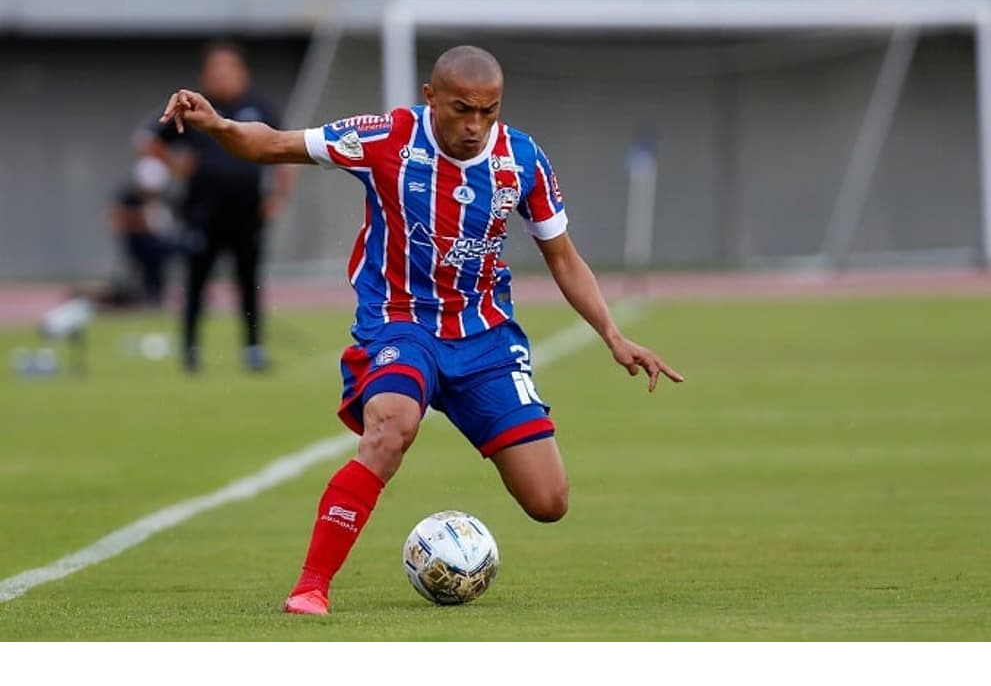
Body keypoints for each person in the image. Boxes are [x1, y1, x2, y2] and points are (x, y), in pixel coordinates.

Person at [158, 44, 684, 615]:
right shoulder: (387, 137)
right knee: (389, 428)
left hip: (485, 338)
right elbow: (275, 144)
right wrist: (218, 126)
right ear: (432, 98)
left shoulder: (522, 159)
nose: (475, 125)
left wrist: (611, 333)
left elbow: (562, 257)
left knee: (549, 500)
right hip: (401, 323)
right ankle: (311, 587)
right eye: (462, 109)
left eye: (489, 111)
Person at [139, 39, 296, 372]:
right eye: (217, 70)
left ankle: (253, 349)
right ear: (205, 75)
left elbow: (284, 151)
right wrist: (175, 164)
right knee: (196, 282)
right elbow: (146, 140)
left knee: (249, 282)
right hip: (203, 213)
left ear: (243, 73)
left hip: (247, 213)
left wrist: (277, 197)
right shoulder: (194, 109)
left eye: (230, 69)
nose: (224, 76)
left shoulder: (259, 108)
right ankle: (191, 349)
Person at [106, 155, 178, 308]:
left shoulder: (162, 197)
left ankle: (158, 294)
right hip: (137, 243)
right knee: (153, 253)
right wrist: (142, 220)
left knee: (182, 247)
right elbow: (114, 220)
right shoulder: (128, 197)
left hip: (159, 243)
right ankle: (150, 294)